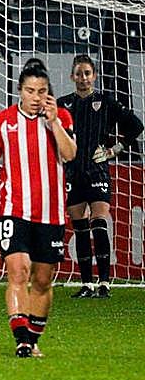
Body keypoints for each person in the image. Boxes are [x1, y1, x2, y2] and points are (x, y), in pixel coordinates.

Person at [0, 58, 77, 358]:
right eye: (30, 90)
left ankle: (34, 336)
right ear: (20, 91)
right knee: (18, 271)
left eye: (42, 91)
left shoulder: (61, 117)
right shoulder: (3, 121)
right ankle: (23, 341)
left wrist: (53, 122)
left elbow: (70, 154)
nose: (36, 97)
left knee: (42, 280)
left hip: (51, 213)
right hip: (14, 210)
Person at [58, 54, 144, 298]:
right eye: (79, 73)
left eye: (87, 73)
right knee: (80, 227)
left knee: (99, 219)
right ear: (72, 76)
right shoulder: (63, 104)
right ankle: (87, 284)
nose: (83, 78)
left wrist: (114, 150)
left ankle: (105, 282)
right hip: (74, 171)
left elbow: (136, 126)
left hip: (97, 169)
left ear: (94, 76)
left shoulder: (105, 102)